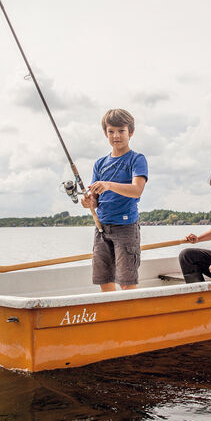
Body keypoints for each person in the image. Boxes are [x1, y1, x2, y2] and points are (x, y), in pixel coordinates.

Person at [81, 109, 148, 292]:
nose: (116, 136)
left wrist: (108, 185)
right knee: (104, 278)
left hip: (126, 228)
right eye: (111, 131)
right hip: (101, 228)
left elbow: (137, 190)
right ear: (105, 133)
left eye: (121, 131)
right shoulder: (100, 164)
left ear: (131, 132)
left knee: (126, 281)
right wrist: (89, 203)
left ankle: (129, 316)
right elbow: (94, 201)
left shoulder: (137, 159)